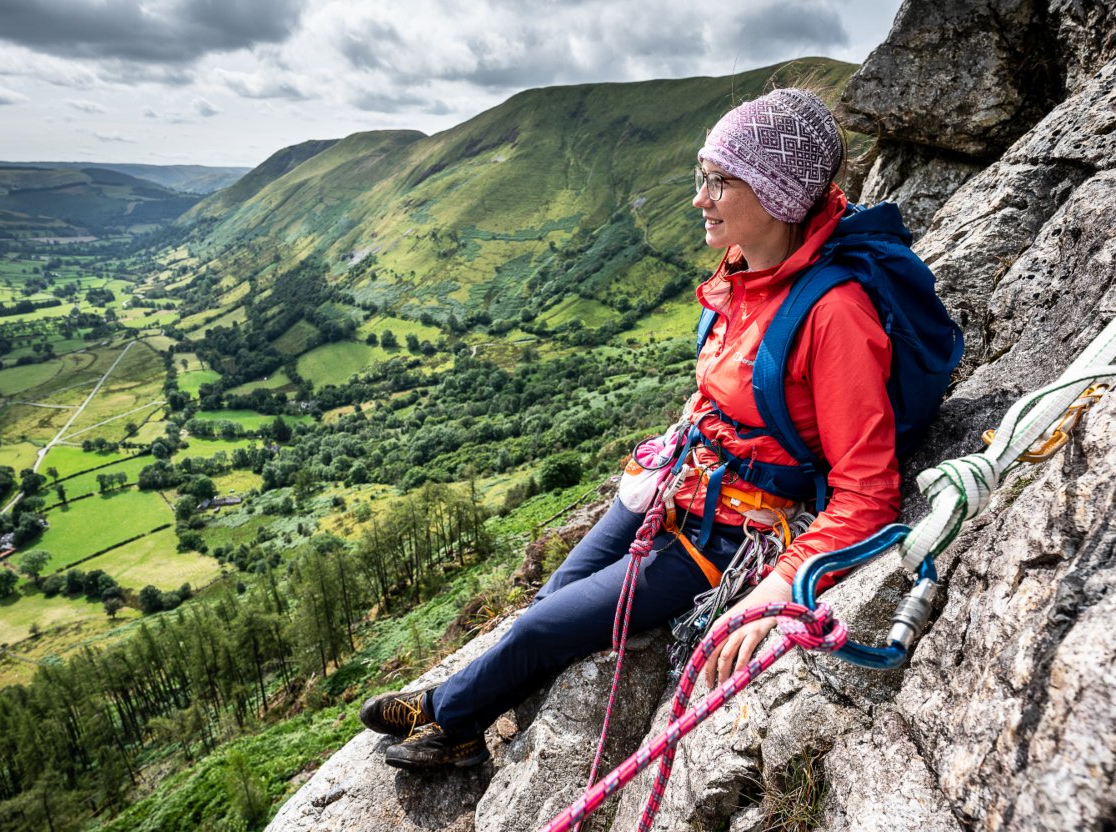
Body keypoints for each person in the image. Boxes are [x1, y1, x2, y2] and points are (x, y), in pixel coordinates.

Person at [359, 88, 901, 770]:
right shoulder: (744, 274)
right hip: (681, 485)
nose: (700, 198)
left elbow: (867, 494)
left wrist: (779, 587)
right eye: (701, 177)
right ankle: (455, 704)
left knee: (542, 623)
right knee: (554, 599)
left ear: (777, 195)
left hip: (732, 531)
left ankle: (453, 725)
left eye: (720, 181)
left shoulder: (835, 316)